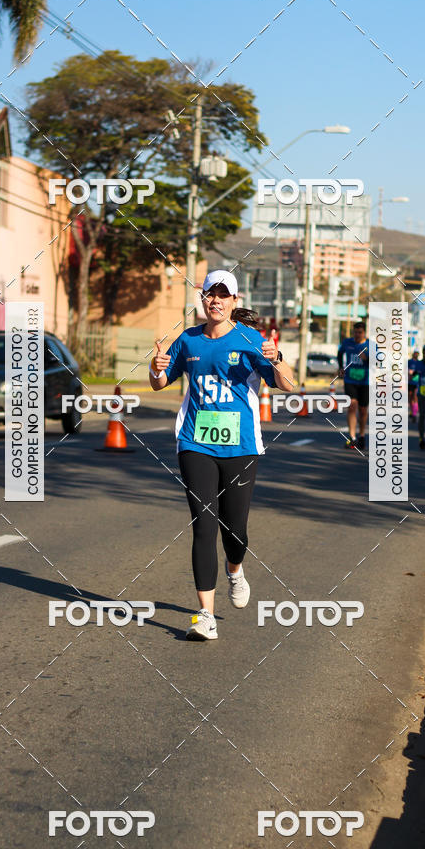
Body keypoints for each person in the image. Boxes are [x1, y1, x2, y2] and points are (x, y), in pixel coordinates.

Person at [150, 269, 294, 641]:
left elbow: (287, 385)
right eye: (210, 294)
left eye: (223, 294)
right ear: (203, 299)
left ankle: (235, 569)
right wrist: (156, 369)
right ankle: (205, 615)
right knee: (203, 524)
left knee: (235, 530)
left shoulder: (251, 339)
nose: (215, 300)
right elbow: (161, 382)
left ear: (234, 301)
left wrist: (276, 358)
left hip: (241, 447)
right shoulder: (189, 340)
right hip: (195, 442)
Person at [338, 321, 369, 450]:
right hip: (350, 380)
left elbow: (379, 362)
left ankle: (361, 435)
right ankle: (352, 437)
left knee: (362, 411)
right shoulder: (347, 343)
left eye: (360, 332)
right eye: (355, 332)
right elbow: (340, 354)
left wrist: (367, 359)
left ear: (364, 333)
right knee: (352, 406)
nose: (357, 335)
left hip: (365, 382)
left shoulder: (370, 345)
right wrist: (341, 367)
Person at [407, 351, 420, 422]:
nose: (416, 354)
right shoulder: (409, 362)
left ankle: (414, 413)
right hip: (410, 382)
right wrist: (409, 372)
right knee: (410, 396)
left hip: (417, 382)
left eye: (417, 353)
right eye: (415, 353)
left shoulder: (419, 363)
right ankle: (412, 410)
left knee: (415, 396)